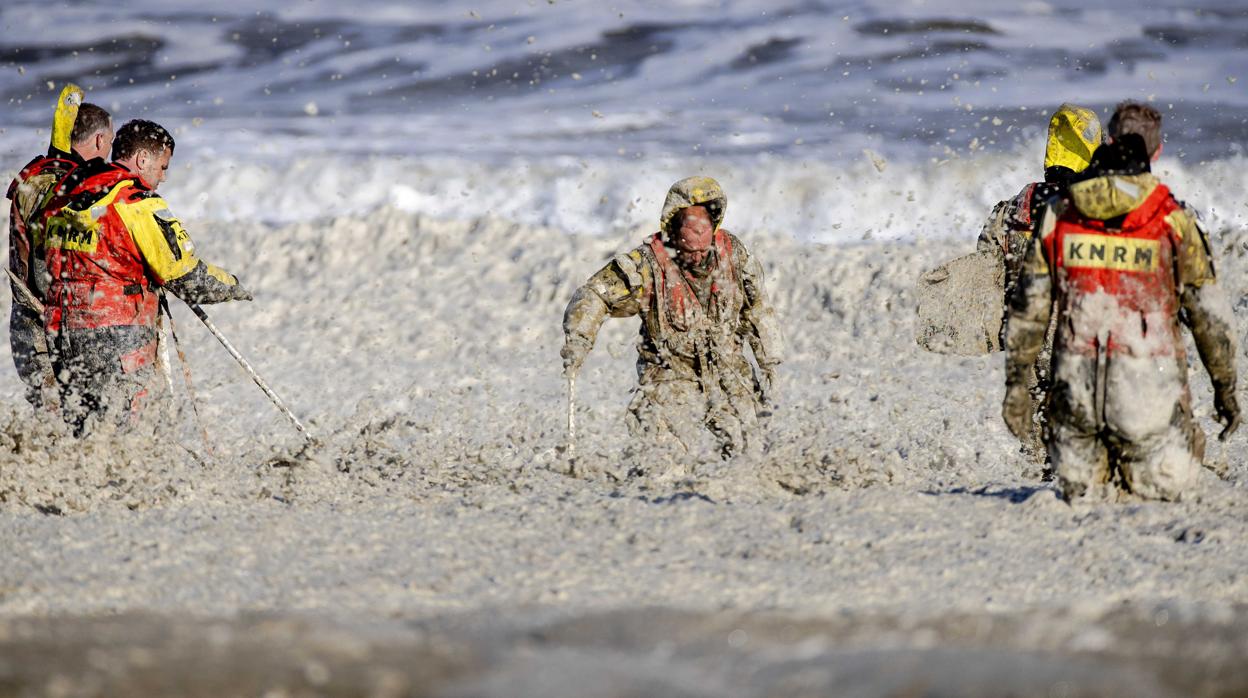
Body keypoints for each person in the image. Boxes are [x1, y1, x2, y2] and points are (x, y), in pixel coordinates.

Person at [1002, 101, 1239, 501]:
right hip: (1147, 408)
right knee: (1179, 474)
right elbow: (1210, 319)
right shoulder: (1173, 219)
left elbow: (1028, 308)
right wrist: (1226, 391)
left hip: (1076, 411)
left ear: (1108, 142)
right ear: (1156, 152)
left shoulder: (1060, 213)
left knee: (1079, 487)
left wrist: (1015, 388)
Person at [43, 119, 252, 434]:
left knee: (82, 431)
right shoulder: (137, 203)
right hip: (119, 335)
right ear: (142, 159)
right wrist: (233, 286)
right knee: (131, 432)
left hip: (63, 332)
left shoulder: (68, 196)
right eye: (163, 167)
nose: (163, 178)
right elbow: (184, 274)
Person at [561, 176, 783, 458]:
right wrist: (578, 341)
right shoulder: (646, 263)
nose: (697, 255)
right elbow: (594, 294)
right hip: (669, 374)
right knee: (662, 459)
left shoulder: (734, 255)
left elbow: (757, 307)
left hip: (727, 369)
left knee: (750, 451)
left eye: (704, 246)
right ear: (672, 232)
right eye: (689, 248)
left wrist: (769, 360)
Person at [978, 103, 1103, 462]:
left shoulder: (1011, 210)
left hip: (1027, 345)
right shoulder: (1092, 212)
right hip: (1077, 342)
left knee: (1038, 443)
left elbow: (986, 271)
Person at [5, 85, 113, 408]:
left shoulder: (35, 176)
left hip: (24, 327)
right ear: (98, 141)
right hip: (57, 328)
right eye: (109, 141)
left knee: (51, 426)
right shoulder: (72, 189)